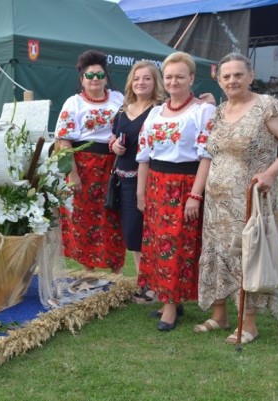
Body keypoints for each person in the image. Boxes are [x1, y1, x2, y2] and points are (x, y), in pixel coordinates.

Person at [196, 53, 278, 344]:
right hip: (217, 201)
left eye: (238, 75)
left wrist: (270, 173)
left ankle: (249, 324)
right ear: (219, 80)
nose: (232, 80)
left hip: (251, 198)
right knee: (218, 253)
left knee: (247, 255)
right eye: (226, 76)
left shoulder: (266, 106)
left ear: (251, 76)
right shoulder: (218, 111)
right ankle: (220, 315)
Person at [135, 51, 215, 332]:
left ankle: (171, 306)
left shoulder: (203, 111)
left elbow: (206, 155)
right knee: (157, 244)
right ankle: (169, 298)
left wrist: (195, 194)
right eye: (169, 76)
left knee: (176, 245)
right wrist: (140, 192)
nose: (173, 81)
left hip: (183, 184)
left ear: (191, 78)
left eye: (180, 76)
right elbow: (144, 154)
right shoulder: (156, 112)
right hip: (156, 182)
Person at [54, 49, 125, 274]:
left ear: (106, 77)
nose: (95, 80)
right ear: (82, 79)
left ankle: (116, 272)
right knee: (84, 218)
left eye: (99, 75)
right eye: (90, 75)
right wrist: (71, 174)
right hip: (84, 167)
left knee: (113, 216)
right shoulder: (73, 103)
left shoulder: (118, 98)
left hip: (114, 166)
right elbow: (63, 142)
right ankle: (88, 270)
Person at [110, 61, 165, 302]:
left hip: (149, 180)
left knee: (147, 234)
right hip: (124, 180)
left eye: (147, 78)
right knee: (132, 235)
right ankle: (144, 282)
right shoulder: (123, 110)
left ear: (156, 83)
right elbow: (113, 137)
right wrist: (114, 146)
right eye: (137, 78)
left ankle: (152, 286)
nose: (141, 83)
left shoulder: (161, 110)